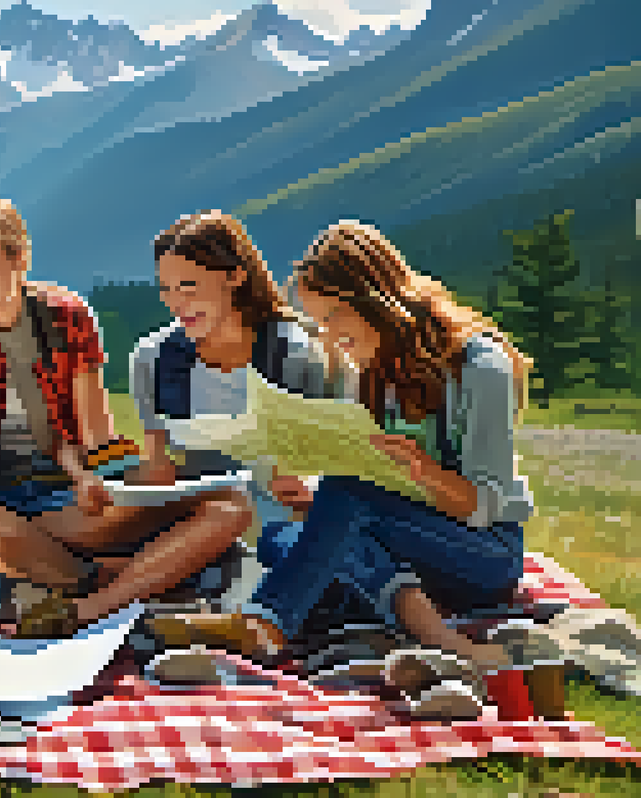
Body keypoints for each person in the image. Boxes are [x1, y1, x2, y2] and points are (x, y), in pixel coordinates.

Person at [153, 220, 537, 712]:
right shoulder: (370, 367)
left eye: (337, 317)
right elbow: (371, 485)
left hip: (483, 553)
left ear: (378, 300)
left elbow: (488, 504)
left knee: (328, 529)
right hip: (409, 546)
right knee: (283, 539)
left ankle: (266, 626)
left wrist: (422, 470)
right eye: (320, 323)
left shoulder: (480, 368)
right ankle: (424, 633)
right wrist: (314, 491)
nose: (331, 338)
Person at [0, 198, 253, 634]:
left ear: (20, 258)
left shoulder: (67, 317)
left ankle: (80, 603)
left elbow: (96, 437)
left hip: (57, 500)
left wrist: (102, 479)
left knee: (231, 507)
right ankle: (98, 581)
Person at [129, 210, 351, 530]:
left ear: (235, 276)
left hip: (296, 524)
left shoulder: (304, 353)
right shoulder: (152, 359)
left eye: (190, 287)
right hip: (201, 526)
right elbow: (158, 468)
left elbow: (349, 456)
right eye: (166, 289)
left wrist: (311, 482)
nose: (176, 303)